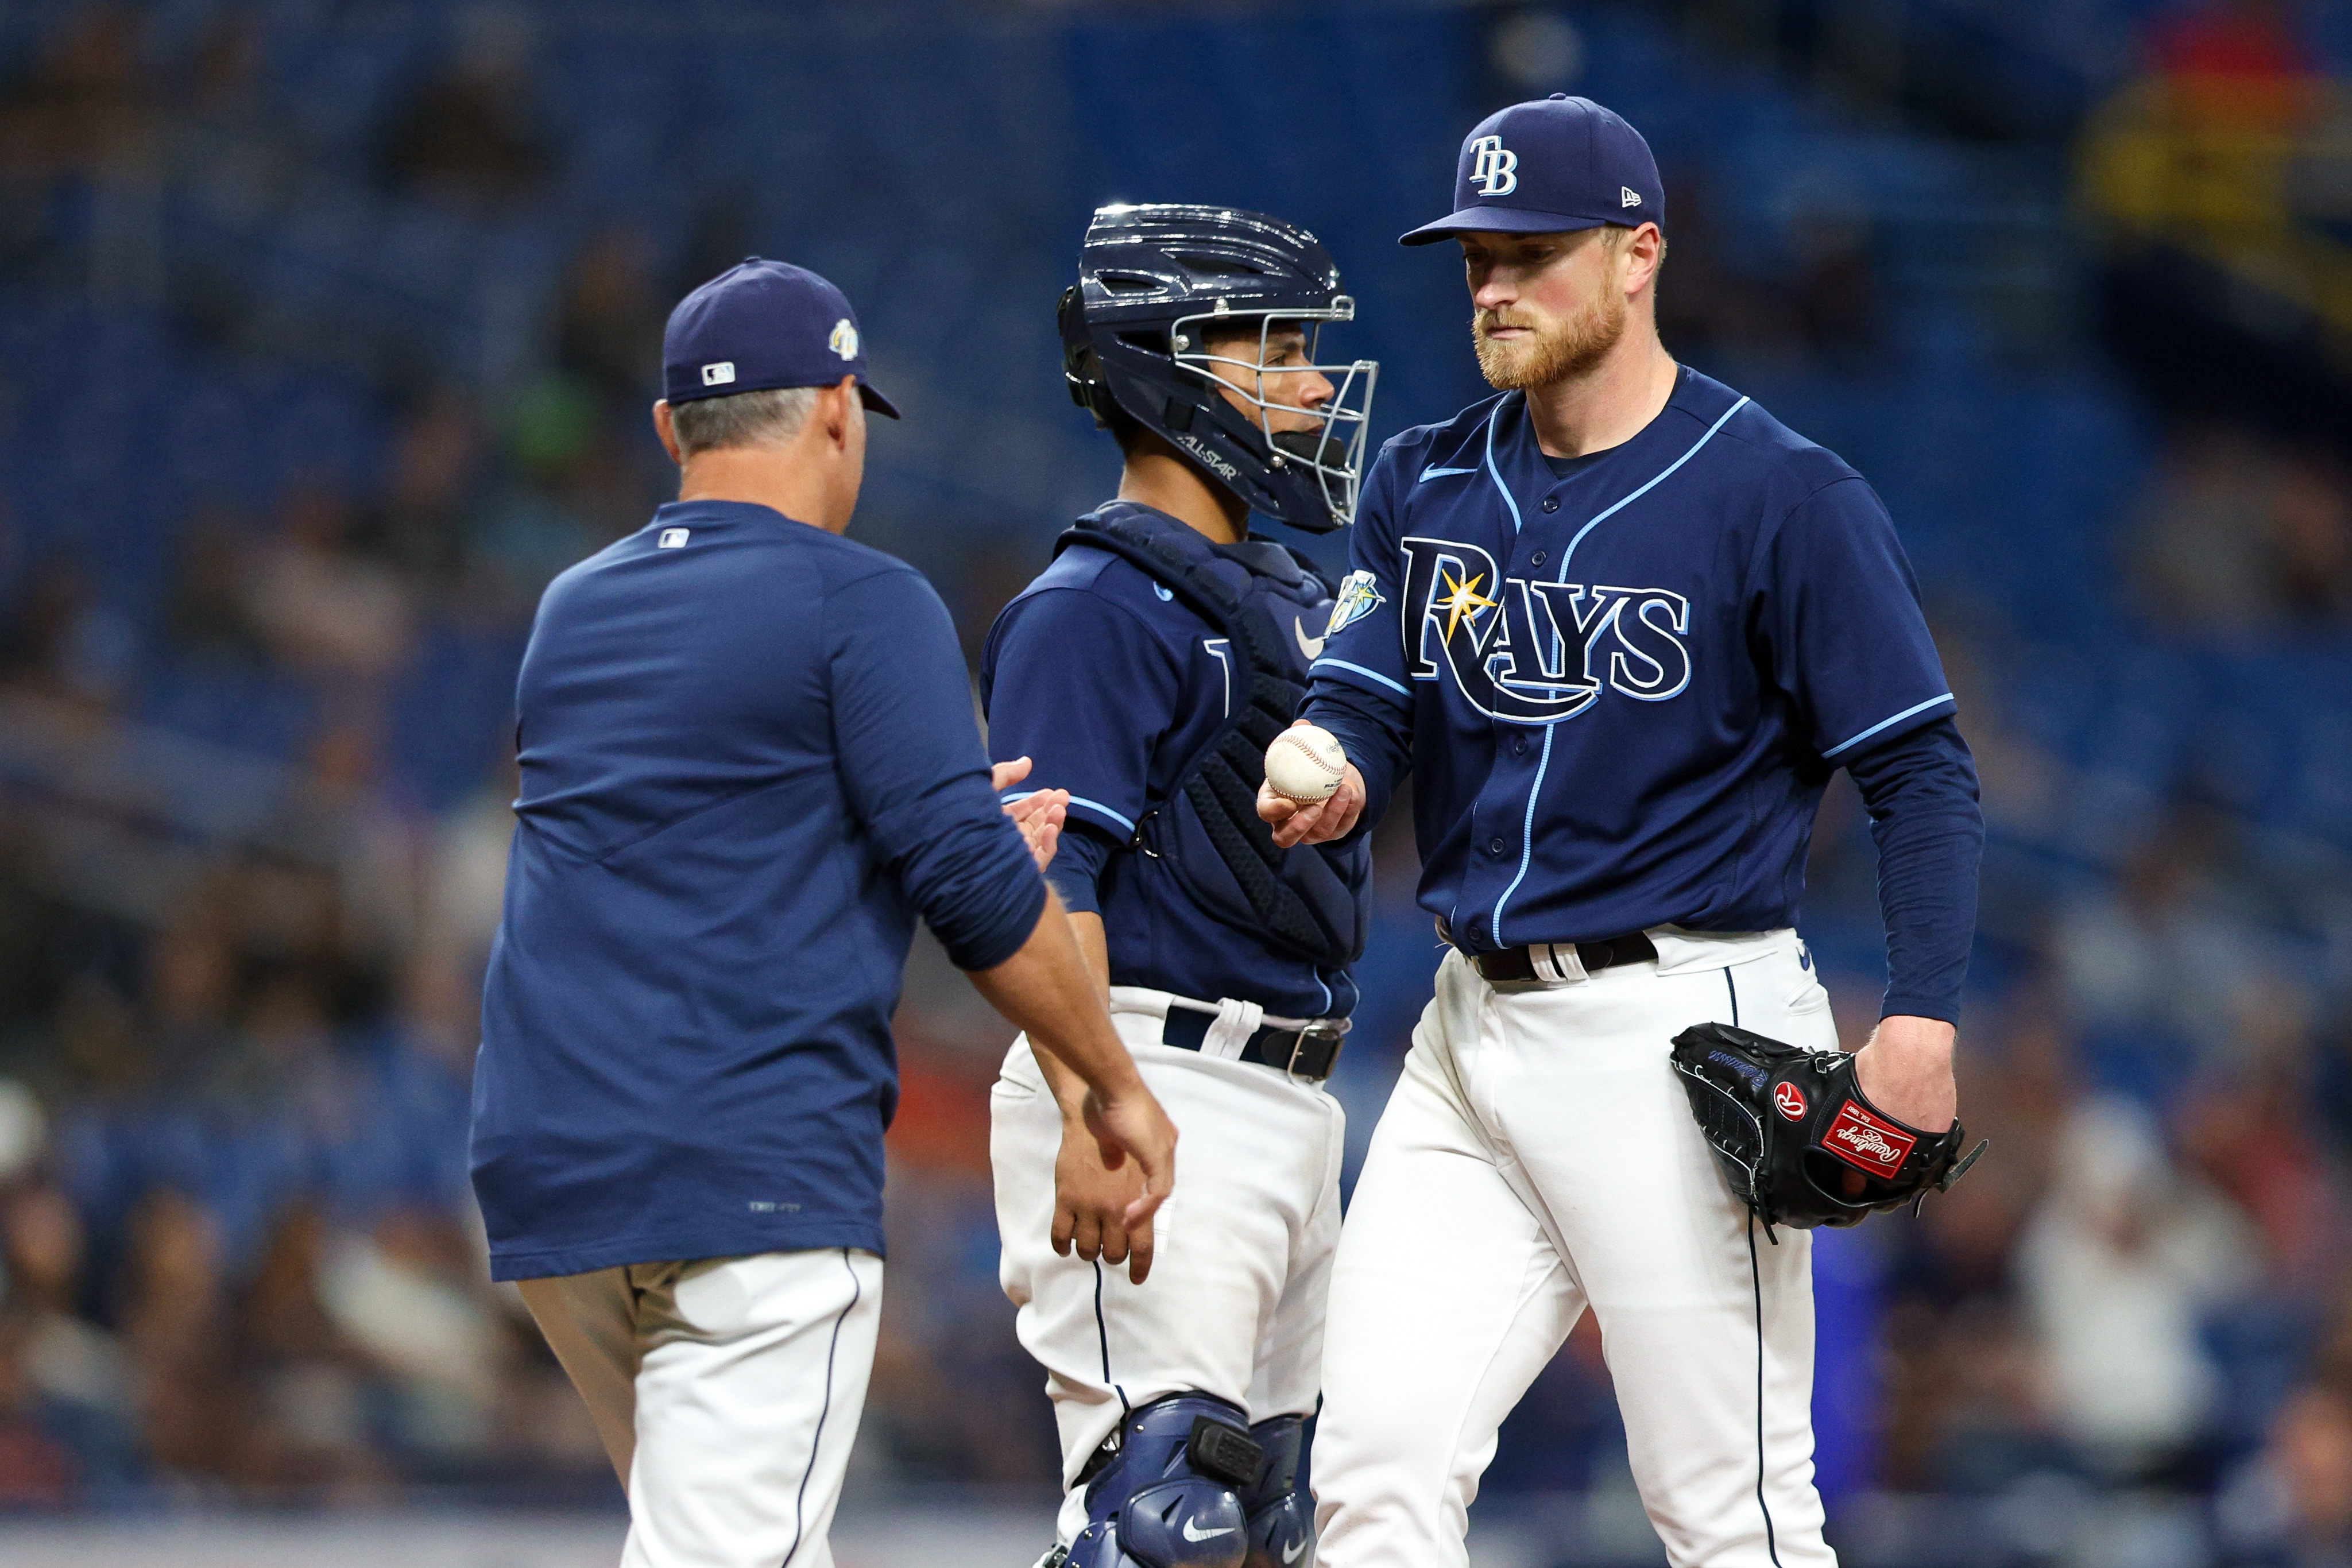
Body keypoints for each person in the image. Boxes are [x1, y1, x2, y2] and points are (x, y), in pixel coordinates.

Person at [1260, 96, 1986, 1567]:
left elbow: (1919, 773)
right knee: (1370, 1475)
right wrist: (1333, 748)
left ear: (1640, 253)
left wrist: (1918, 1020)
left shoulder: (1778, 493)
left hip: (1678, 1026)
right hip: (1467, 1035)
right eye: (1474, 257)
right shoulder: (1422, 476)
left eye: (1531, 252)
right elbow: (1365, 683)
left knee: (1730, 1519)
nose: (1492, 286)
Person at [470, 258, 1178, 1568]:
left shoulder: (571, 611)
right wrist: (1106, 1081)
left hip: (553, 1174)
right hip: (743, 1173)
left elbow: (700, 840)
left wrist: (929, 828)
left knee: (733, 1535)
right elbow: (969, 894)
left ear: (669, 427)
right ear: (843, 410)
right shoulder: (863, 599)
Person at [984, 204, 1378, 1568]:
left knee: (1272, 1528)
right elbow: (1046, 882)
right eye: (1275, 350)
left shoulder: (1268, 588)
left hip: (1287, 1097)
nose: (1316, 385)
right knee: (1159, 1524)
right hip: (1152, 1074)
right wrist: (1098, 1101)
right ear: (1170, 365)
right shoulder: (1091, 605)